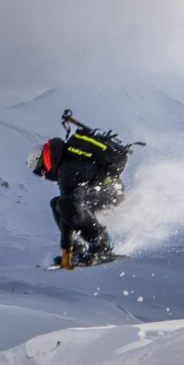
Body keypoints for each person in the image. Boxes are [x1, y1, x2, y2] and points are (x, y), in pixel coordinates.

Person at [28, 111, 131, 269]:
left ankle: (102, 246)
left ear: (44, 163)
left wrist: (66, 250)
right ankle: (80, 248)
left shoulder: (66, 169)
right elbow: (66, 210)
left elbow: (68, 207)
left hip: (110, 191)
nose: (44, 176)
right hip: (106, 190)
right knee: (57, 203)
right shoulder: (66, 161)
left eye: (41, 172)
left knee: (64, 204)